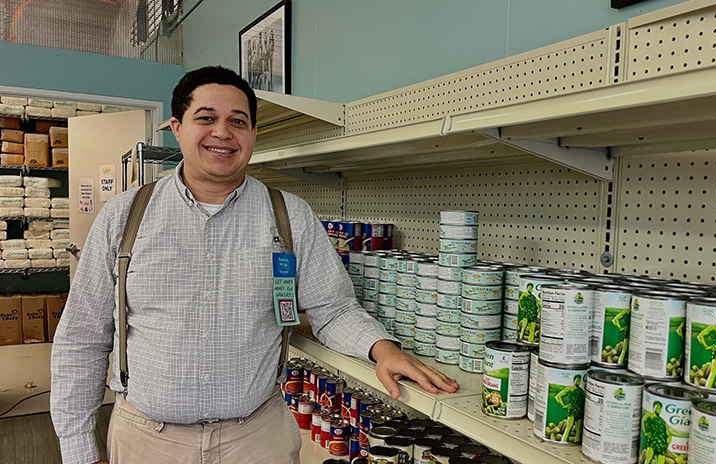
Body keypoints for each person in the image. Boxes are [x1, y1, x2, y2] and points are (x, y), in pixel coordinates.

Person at [50, 66, 459, 464]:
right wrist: (79, 450)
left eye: (238, 121)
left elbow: (332, 309)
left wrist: (382, 349)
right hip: (147, 440)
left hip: (257, 440)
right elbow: (83, 339)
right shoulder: (124, 216)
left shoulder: (291, 216)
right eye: (206, 118)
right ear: (177, 128)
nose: (223, 133)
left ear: (253, 134)